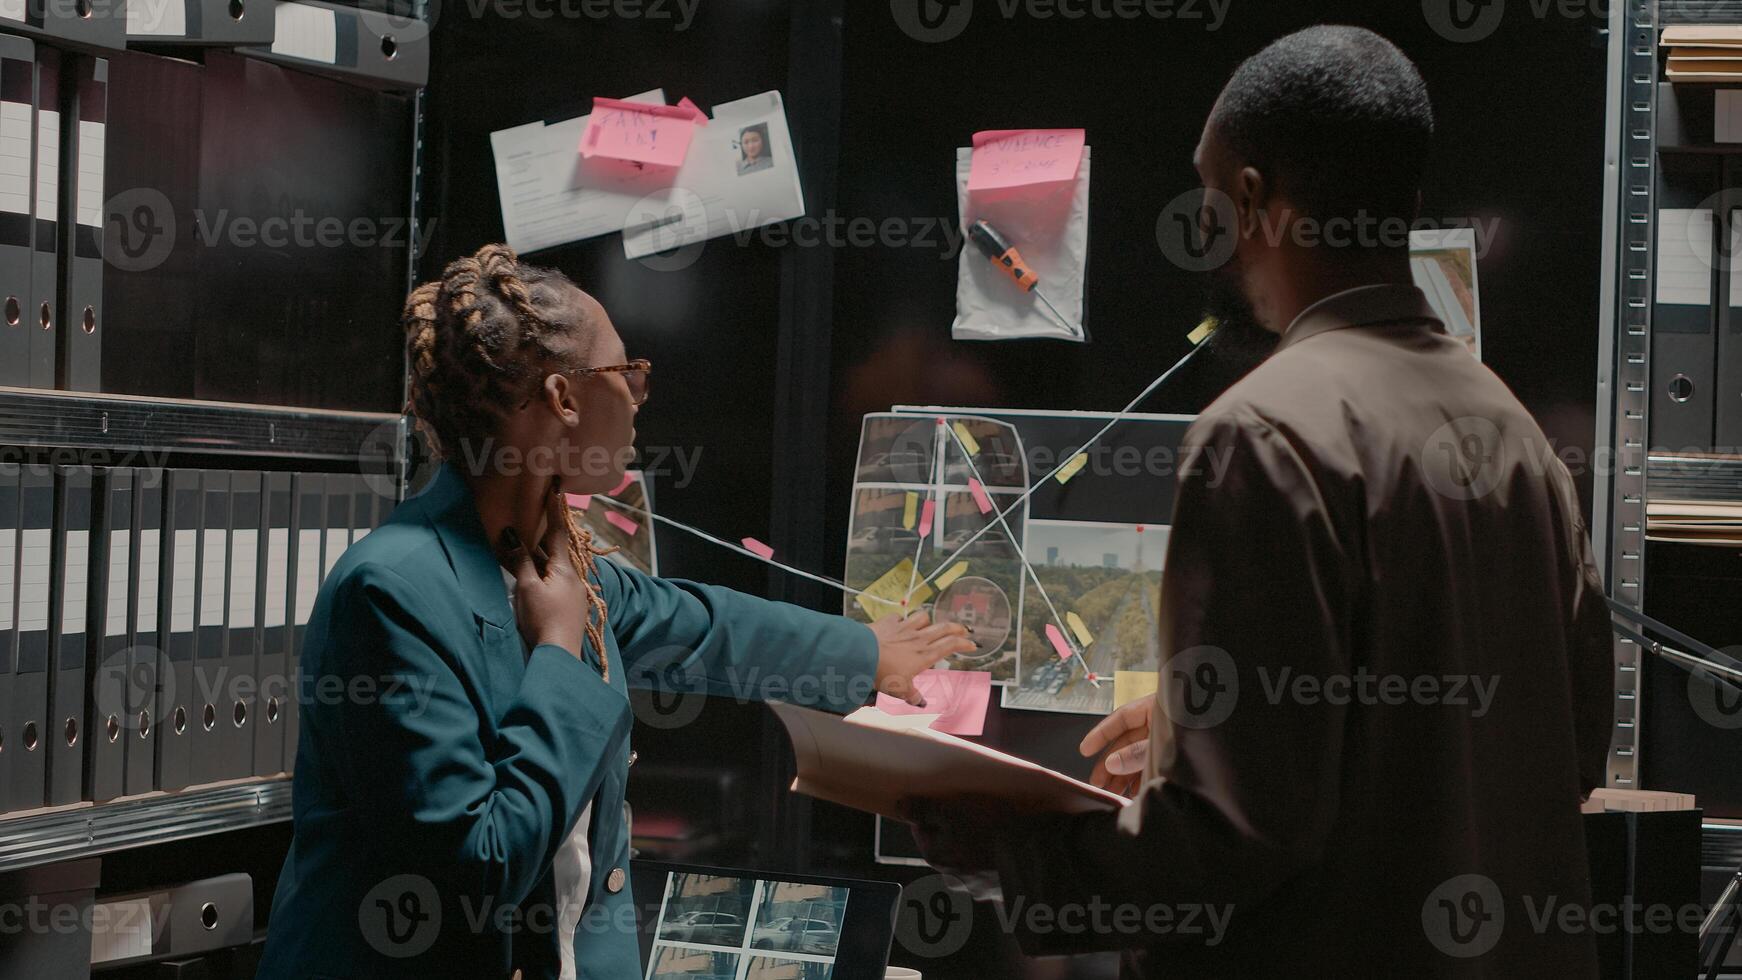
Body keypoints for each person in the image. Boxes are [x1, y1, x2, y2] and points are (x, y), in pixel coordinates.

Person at [905, 26, 1614, 977]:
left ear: (1251, 198)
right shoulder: (1517, 436)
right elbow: (1557, 751)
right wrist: (1224, 716)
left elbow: (1231, 836)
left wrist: (1008, 853)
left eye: (1208, 198)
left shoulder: (1261, 435)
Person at [259, 244, 973, 980]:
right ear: (565, 399)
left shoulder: (555, 557)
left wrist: (868, 654)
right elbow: (483, 862)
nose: (637, 394)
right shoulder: (392, 591)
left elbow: (705, 629)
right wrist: (559, 651)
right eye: (625, 372)